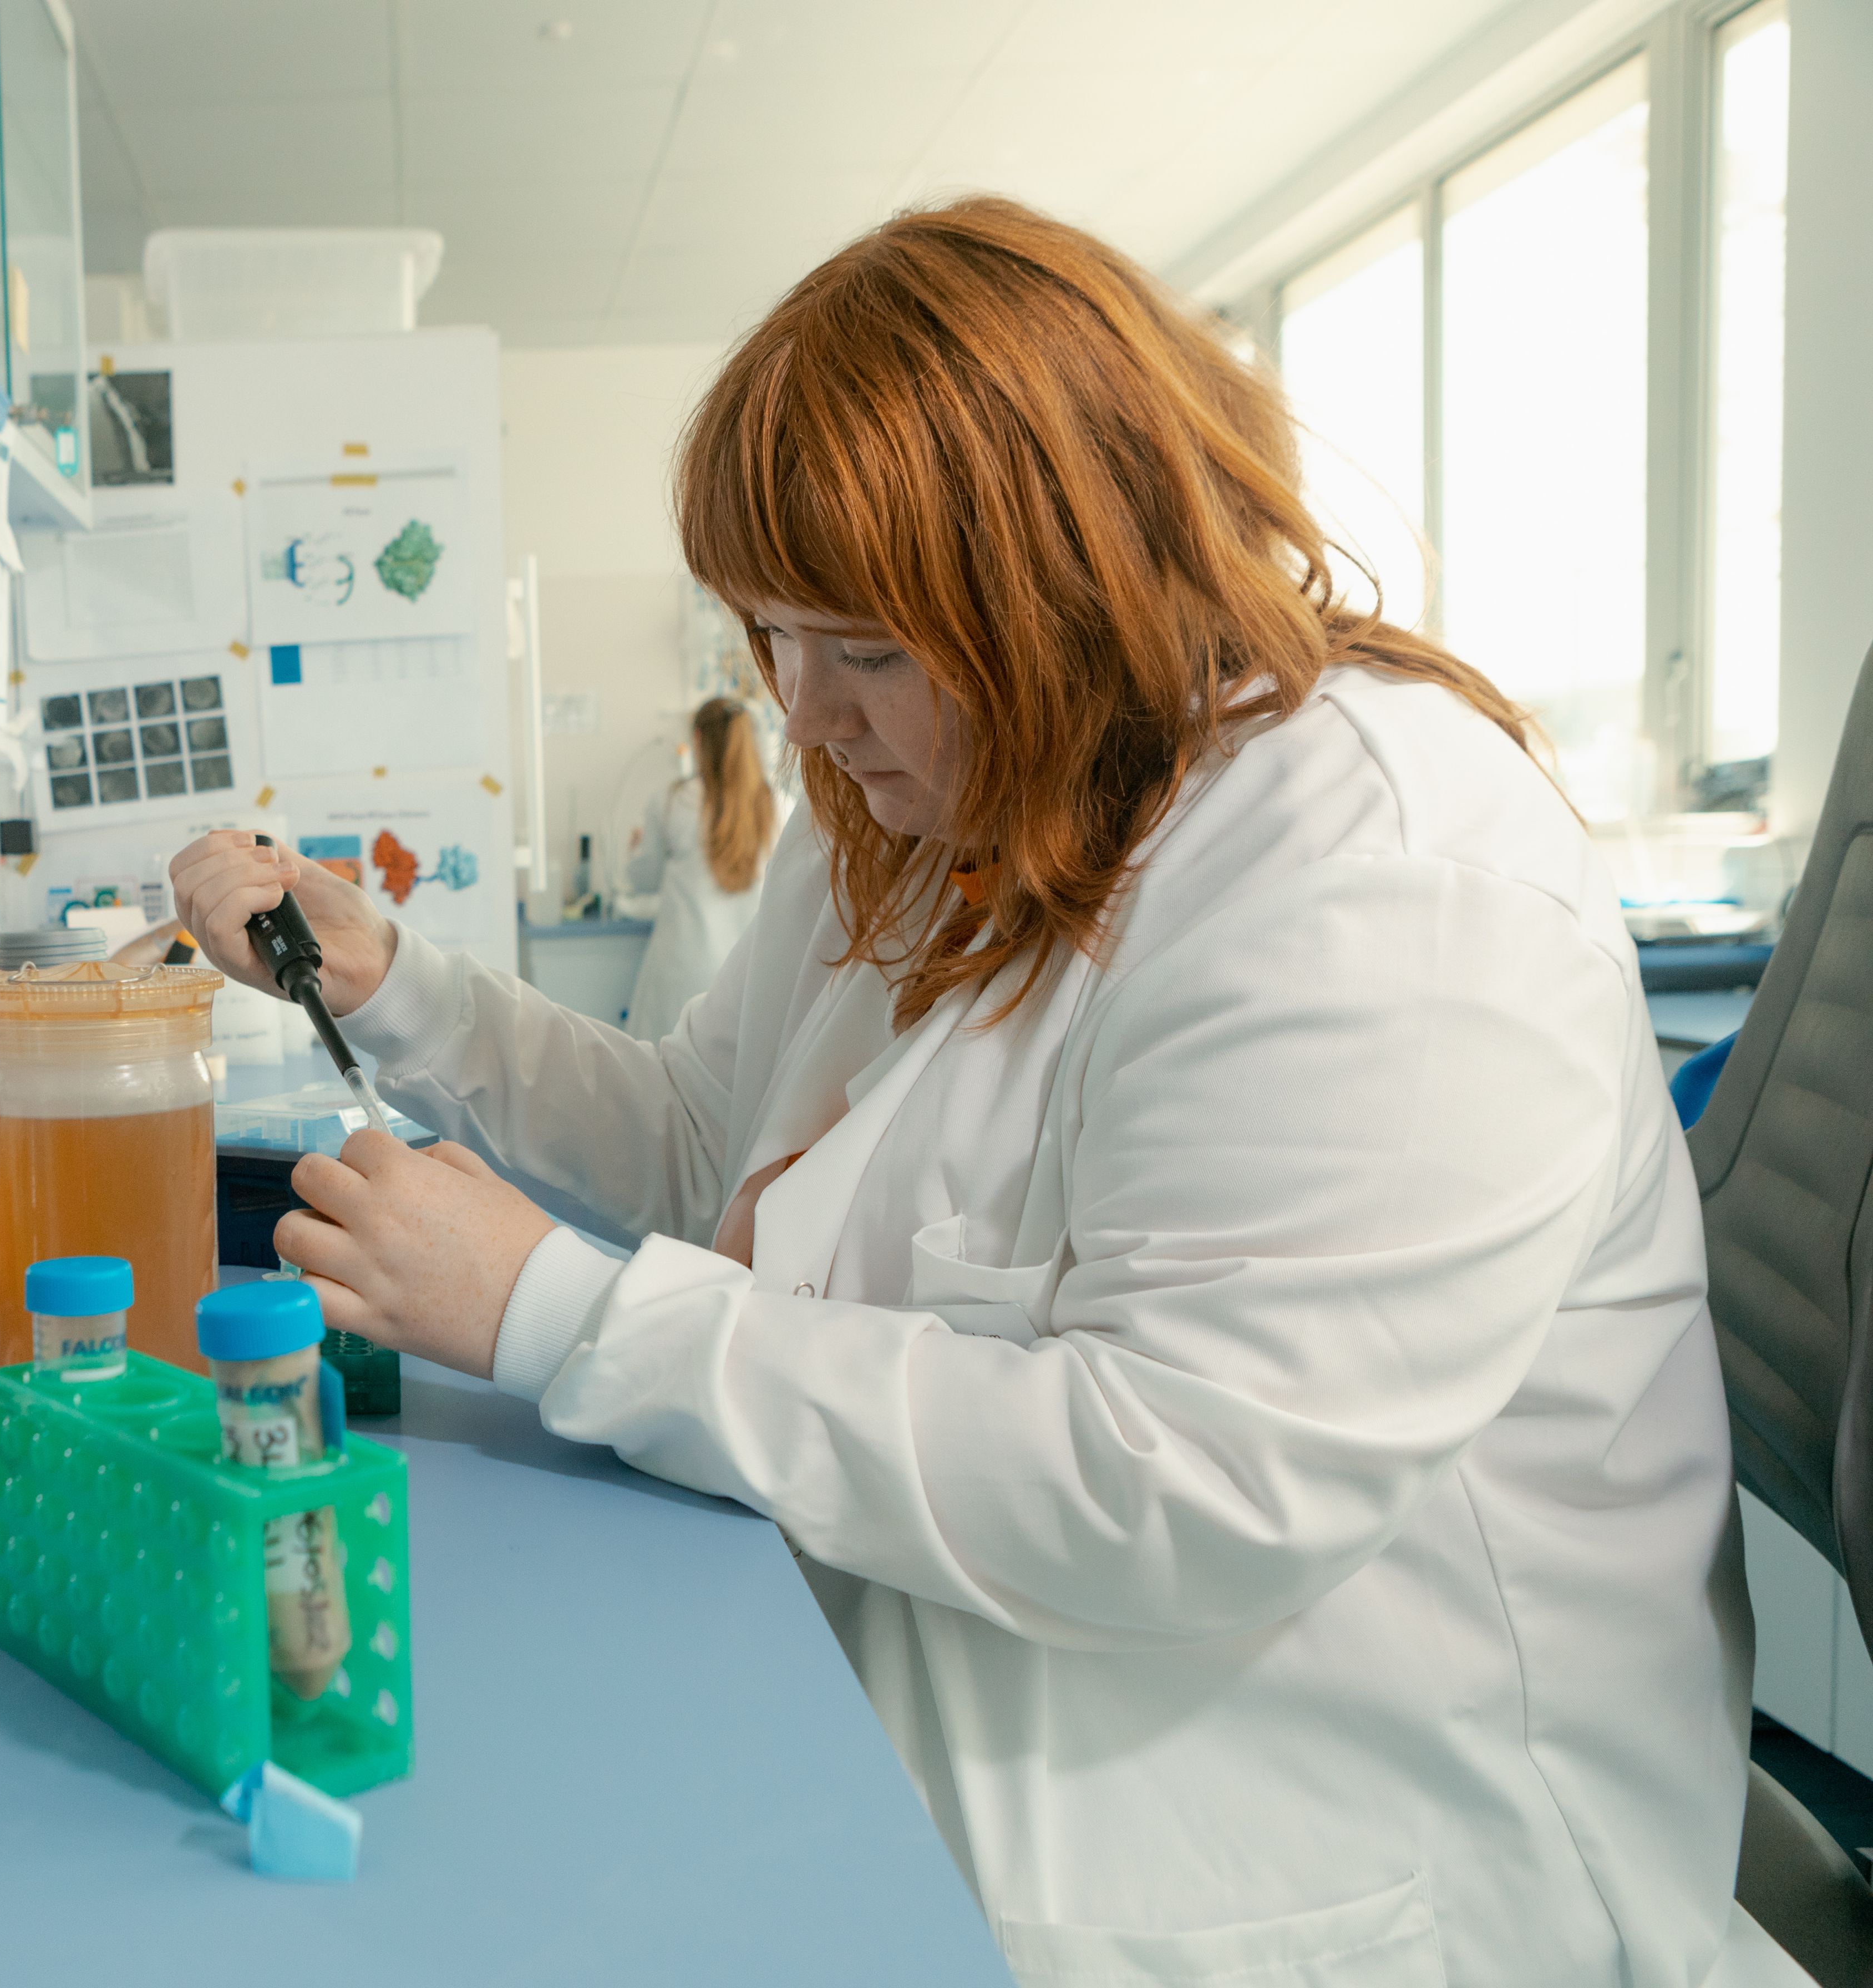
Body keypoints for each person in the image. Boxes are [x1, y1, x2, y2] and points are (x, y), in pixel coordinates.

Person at [172, 197, 1777, 1985]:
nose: (807, 716)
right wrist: (402, 989)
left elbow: (1185, 1484)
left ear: (1076, 584)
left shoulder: (1377, 878)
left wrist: (559, 1312)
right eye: (773, 639)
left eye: (863, 648)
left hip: (1335, 1843)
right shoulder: (929, 803)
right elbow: (718, 1143)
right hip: (957, 1667)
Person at [621, 697, 779, 1040]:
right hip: (747, 976)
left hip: (682, 972)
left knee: (662, 1080)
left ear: (697, 739)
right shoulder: (776, 804)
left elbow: (643, 881)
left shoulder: (673, 801)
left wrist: (635, 848)